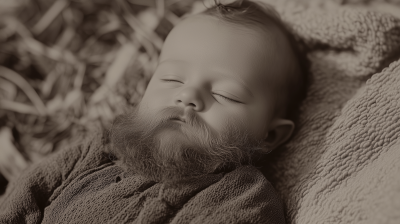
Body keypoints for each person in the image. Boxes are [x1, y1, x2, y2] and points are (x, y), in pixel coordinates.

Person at [0, 0, 308, 223]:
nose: (187, 95)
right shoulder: (101, 149)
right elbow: (27, 190)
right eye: (171, 79)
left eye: (224, 94)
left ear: (270, 135)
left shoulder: (243, 197)